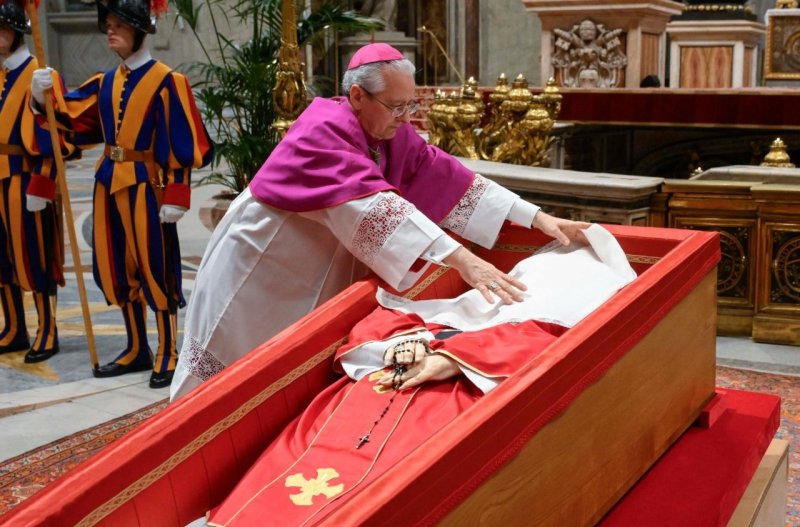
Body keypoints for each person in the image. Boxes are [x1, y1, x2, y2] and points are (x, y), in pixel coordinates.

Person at [170, 42, 589, 401]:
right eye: (396, 106)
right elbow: (375, 209)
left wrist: (536, 217)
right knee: (220, 375)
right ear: (357, 96)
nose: (406, 117)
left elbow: (448, 177)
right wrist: (463, 260)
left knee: (281, 374)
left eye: (411, 105)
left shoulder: (388, 131)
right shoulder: (321, 131)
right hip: (259, 270)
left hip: (308, 272)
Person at [202, 224, 637, 526]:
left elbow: (545, 353)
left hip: (453, 395)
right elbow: (386, 320)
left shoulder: (563, 317)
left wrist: (451, 359)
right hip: (384, 382)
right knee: (308, 451)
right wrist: (403, 343)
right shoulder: (483, 300)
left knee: (388, 475)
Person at [30, 0, 213, 388]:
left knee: (156, 267)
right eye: (108, 24)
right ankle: (136, 348)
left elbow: (182, 138)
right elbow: (73, 121)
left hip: (148, 186)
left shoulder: (168, 82)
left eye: (119, 24)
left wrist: (177, 193)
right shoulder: (105, 81)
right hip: (108, 184)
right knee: (116, 267)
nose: (110, 30)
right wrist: (40, 97)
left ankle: (168, 350)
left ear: (139, 29)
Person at [0, 0, 70, 363]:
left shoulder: (39, 74)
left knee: (36, 256)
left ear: (16, 31)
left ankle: (47, 329)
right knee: (1, 257)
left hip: (26, 179)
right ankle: (14, 327)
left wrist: (42, 186)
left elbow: (55, 138)